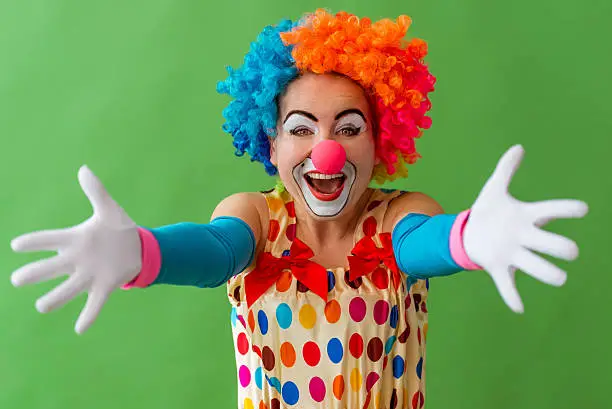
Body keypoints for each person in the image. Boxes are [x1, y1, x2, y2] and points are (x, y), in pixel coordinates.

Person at [9, 9, 588, 409]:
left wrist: (467, 238)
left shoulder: (399, 214)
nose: (325, 150)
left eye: (348, 127)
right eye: (301, 128)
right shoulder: (256, 217)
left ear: (379, 141)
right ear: (272, 143)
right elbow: (215, 251)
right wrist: (142, 252)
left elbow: (421, 242)